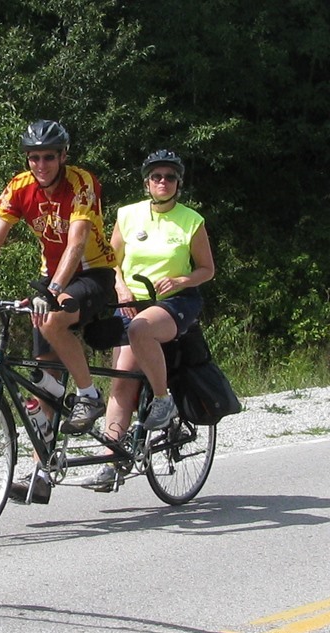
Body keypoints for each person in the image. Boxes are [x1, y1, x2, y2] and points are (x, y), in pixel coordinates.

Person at [0, 120, 117, 504]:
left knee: (54, 320)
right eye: (35, 157)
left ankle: (89, 395)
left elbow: (76, 244)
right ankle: (42, 473)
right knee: (43, 386)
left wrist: (54, 291)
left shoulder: (81, 182)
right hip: (49, 278)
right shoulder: (19, 186)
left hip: (92, 272)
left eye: (49, 157)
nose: (41, 164)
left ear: (63, 156)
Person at [81, 149, 215, 491]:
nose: (163, 182)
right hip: (133, 302)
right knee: (121, 382)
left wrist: (182, 280)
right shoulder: (128, 216)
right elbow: (111, 260)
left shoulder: (191, 220)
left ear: (178, 183)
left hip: (175, 302)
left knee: (141, 330)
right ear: (146, 183)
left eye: (170, 177)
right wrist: (121, 287)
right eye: (157, 176)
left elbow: (206, 270)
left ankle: (162, 400)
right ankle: (112, 459)